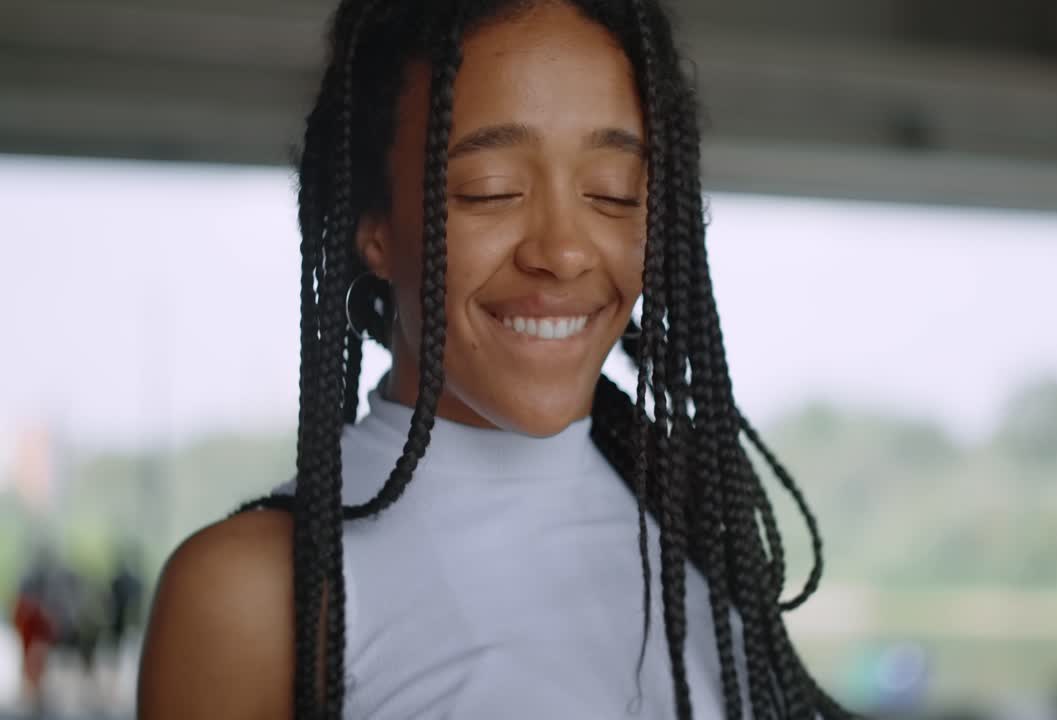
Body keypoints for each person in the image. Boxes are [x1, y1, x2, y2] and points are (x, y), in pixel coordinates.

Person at [138, 1, 859, 718]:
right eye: (492, 191)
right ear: (376, 227)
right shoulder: (259, 593)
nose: (564, 250)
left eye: (613, 193)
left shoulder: (697, 535)